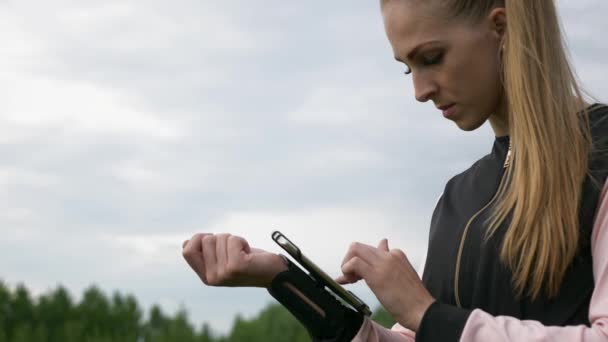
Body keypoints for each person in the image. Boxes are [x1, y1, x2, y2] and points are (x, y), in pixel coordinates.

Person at [182, 0, 608, 341]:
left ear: (499, 27)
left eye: (432, 58)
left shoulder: (602, 154)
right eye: (408, 67)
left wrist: (427, 313)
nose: (420, 91)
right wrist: (282, 279)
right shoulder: (458, 198)